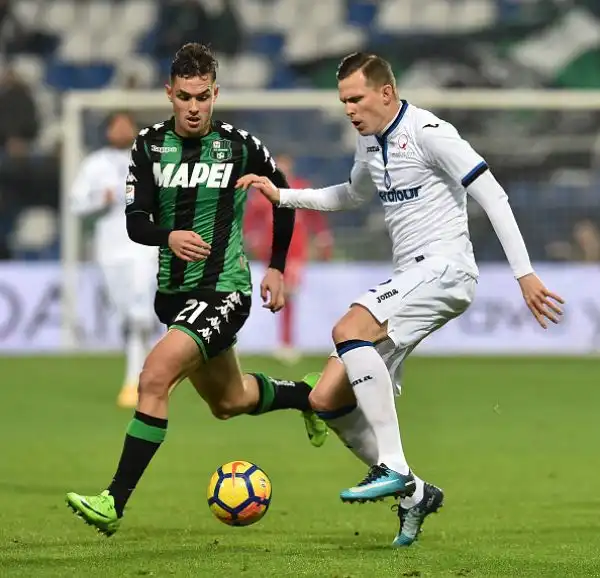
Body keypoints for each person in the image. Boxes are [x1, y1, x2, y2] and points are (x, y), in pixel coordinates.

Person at [237, 52, 565, 547]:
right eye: (343, 100)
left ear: (385, 92)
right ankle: (413, 493)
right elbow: (350, 195)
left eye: (356, 98)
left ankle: (392, 464)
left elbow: (493, 194)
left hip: (446, 268)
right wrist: (283, 196)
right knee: (326, 398)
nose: (348, 108)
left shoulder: (431, 133)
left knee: (348, 328)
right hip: (411, 277)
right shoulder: (368, 144)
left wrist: (524, 274)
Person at [65, 43, 327, 536]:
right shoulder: (149, 146)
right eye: (184, 96)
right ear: (169, 93)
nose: (193, 107)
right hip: (174, 296)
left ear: (215, 93)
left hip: (225, 289)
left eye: (202, 97)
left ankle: (112, 501)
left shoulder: (240, 145)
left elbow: (284, 198)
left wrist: (273, 267)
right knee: (229, 401)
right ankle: (308, 396)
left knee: (154, 375)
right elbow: (135, 221)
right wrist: (168, 236)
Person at [71, 112, 157, 408]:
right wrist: (100, 201)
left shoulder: (150, 161)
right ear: (108, 131)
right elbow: (76, 204)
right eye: (116, 126)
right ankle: (148, 371)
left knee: (138, 316)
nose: (122, 130)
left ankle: (135, 382)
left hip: (144, 249)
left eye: (127, 125)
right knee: (125, 316)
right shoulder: (94, 164)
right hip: (110, 251)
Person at [244, 154, 333, 363]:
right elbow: (250, 219)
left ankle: (286, 342)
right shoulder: (262, 192)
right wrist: (252, 237)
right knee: (275, 293)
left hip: (295, 252)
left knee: (288, 294)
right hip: (270, 252)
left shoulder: (300, 189)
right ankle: (280, 341)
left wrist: (321, 236)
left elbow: (315, 214)